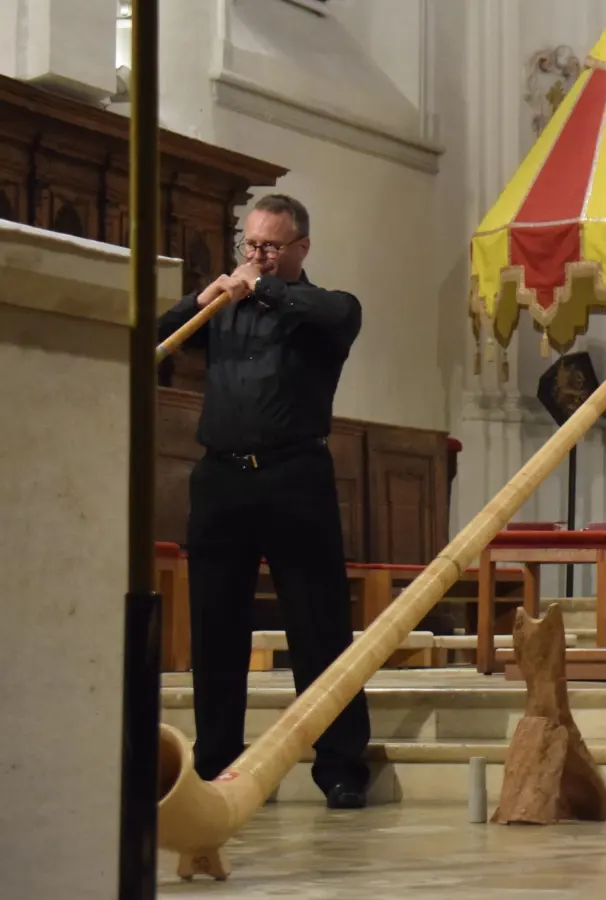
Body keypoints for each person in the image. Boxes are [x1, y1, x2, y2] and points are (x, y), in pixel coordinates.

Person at [157, 193, 371, 809]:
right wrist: (199, 300)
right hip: (221, 480)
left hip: (294, 478)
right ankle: (219, 764)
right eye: (249, 245)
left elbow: (334, 312)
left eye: (270, 246)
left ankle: (340, 768)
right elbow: (158, 339)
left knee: (318, 626)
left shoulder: (325, 310)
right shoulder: (221, 310)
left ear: (301, 247)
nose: (256, 256)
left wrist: (264, 286)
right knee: (216, 627)